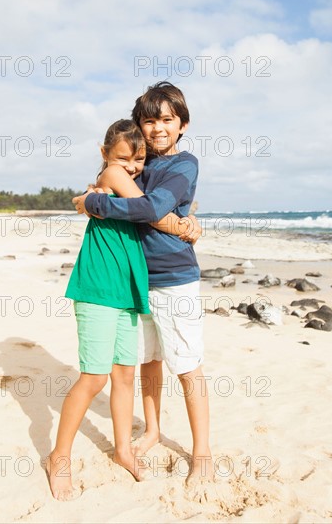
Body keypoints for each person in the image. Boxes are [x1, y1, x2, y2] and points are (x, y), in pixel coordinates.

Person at [46, 119, 200, 501]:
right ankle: (58, 458)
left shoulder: (128, 178)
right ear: (106, 155)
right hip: (98, 289)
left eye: (139, 158)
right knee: (94, 379)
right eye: (124, 158)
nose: (132, 166)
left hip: (128, 290)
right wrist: (184, 228)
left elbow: (153, 204)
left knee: (125, 377)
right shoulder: (113, 173)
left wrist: (191, 217)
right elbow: (149, 212)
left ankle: (123, 450)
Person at [73, 82, 213, 485]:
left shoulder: (185, 164)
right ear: (139, 125)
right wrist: (93, 194)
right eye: (149, 121)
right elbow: (111, 182)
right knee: (148, 362)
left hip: (174, 279)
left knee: (187, 365)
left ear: (183, 124)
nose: (157, 129)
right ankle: (151, 429)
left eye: (167, 120)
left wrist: (93, 204)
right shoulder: (136, 161)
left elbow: (151, 207)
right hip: (134, 279)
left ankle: (201, 451)